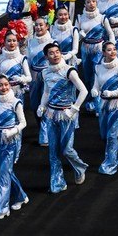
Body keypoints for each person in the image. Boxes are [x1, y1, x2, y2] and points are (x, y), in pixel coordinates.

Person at [37, 43, 89, 193]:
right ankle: (57, 182)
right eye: (51, 53)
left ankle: (80, 167)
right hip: (51, 114)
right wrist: (42, 105)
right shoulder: (45, 73)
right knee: (53, 150)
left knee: (66, 149)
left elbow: (83, 91)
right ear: (46, 57)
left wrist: (73, 110)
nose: (55, 55)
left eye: (57, 52)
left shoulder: (69, 71)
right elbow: (47, 91)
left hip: (66, 114)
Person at [0, 75, 29, 219]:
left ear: (10, 85)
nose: (4, 87)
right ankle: (20, 196)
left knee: (3, 174)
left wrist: (12, 131)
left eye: (6, 84)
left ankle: (2, 208)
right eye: (0, 85)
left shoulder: (15, 102)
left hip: (11, 141)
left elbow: (23, 123)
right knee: (6, 170)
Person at [91, 42, 118, 174]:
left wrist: (113, 93)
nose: (113, 52)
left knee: (112, 135)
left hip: (117, 105)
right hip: (103, 105)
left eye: (114, 49)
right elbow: (96, 84)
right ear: (103, 53)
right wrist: (94, 90)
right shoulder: (98, 68)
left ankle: (110, 164)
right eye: (109, 50)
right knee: (104, 135)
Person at [76, 0, 115, 112]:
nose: (91, 4)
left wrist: (111, 44)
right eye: (88, 2)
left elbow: (110, 33)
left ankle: (99, 104)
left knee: (96, 74)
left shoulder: (102, 18)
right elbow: (75, 35)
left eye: (93, 1)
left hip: (98, 48)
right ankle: (90, 100)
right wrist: (80, 35)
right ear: (85, 4)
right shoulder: (80, 18)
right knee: (87, 76)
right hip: (85, 48)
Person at [27, 18, 53, 145]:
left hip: (47, 78)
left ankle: (45, 132)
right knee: (34, 104)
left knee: (45, 104)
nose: (38, 27)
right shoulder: (30, 42)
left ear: (46, 26)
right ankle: (43, 126)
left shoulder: (52, 42)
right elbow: (28, 61)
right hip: (34, 76)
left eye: (41, 25)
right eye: (36, 25)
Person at [0, 31, 32, 102]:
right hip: (3, 92)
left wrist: (21, 79)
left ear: (17, 43)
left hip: (18, 92)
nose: (12, 43)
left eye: (14, 41)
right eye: (9, 41)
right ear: (4, 43)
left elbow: (29, 78)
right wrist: (1, 86)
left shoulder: (22, 58)